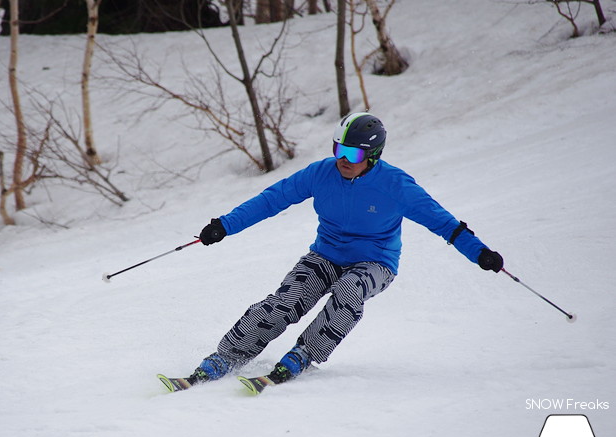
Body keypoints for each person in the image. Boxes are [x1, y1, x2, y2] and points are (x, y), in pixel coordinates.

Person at [188, 112, 503, 385]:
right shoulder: (321, 173)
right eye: (339, 150)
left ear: (373, 156)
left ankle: (304, 353)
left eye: (353, 155)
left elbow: (446, 225)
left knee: (350, 289)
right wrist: (225, 225)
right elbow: (273, 199)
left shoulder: (396, 186)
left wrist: (480, 253)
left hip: (375, 263)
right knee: (287, 301)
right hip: (326, 256)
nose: (343, 160)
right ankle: (227, 357)